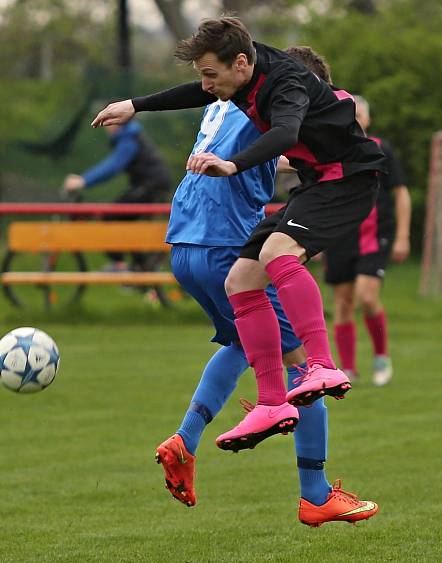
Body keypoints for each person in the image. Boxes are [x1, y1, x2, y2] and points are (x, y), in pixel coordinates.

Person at [92, 17, 387, 452]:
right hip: (266, 211)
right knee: (244, 284)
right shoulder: (246, 77)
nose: (208, 85)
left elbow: (288, 132)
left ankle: (321, 368)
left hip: (335, 184)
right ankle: (272, 407)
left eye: (211, 75)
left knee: (275, 263)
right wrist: (137, 105)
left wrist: (233, 163)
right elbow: (209, 92)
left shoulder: (288, 87)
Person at [156, 90, 378, 526]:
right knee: (305, 374)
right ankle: (315, 495)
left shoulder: (223, 102)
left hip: (184, 242)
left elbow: (267, 151)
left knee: (246, 342)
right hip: (228, 244)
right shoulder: (286, 99)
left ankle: (185, 440)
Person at [326, 95, 411, 386]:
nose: (355, 120)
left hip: (375, 235)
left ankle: (381, 357)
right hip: (339, 236)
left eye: (359, 114)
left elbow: (400, 194)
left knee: (367, 296)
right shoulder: (330, 149)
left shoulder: (381, 149)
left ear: (368, 120)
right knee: (343, 302)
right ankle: (347, 369)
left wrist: (402, 236)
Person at [62, 121, 172, 271]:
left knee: (111, 216)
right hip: (148, 185)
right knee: (119, 217)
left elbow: (114, 165)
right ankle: (141, 265)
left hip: (150, 186)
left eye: (107, 122)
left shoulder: (129, 138)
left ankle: (120, 265)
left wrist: (83, 180)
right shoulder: (130, 135)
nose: (106, 127)